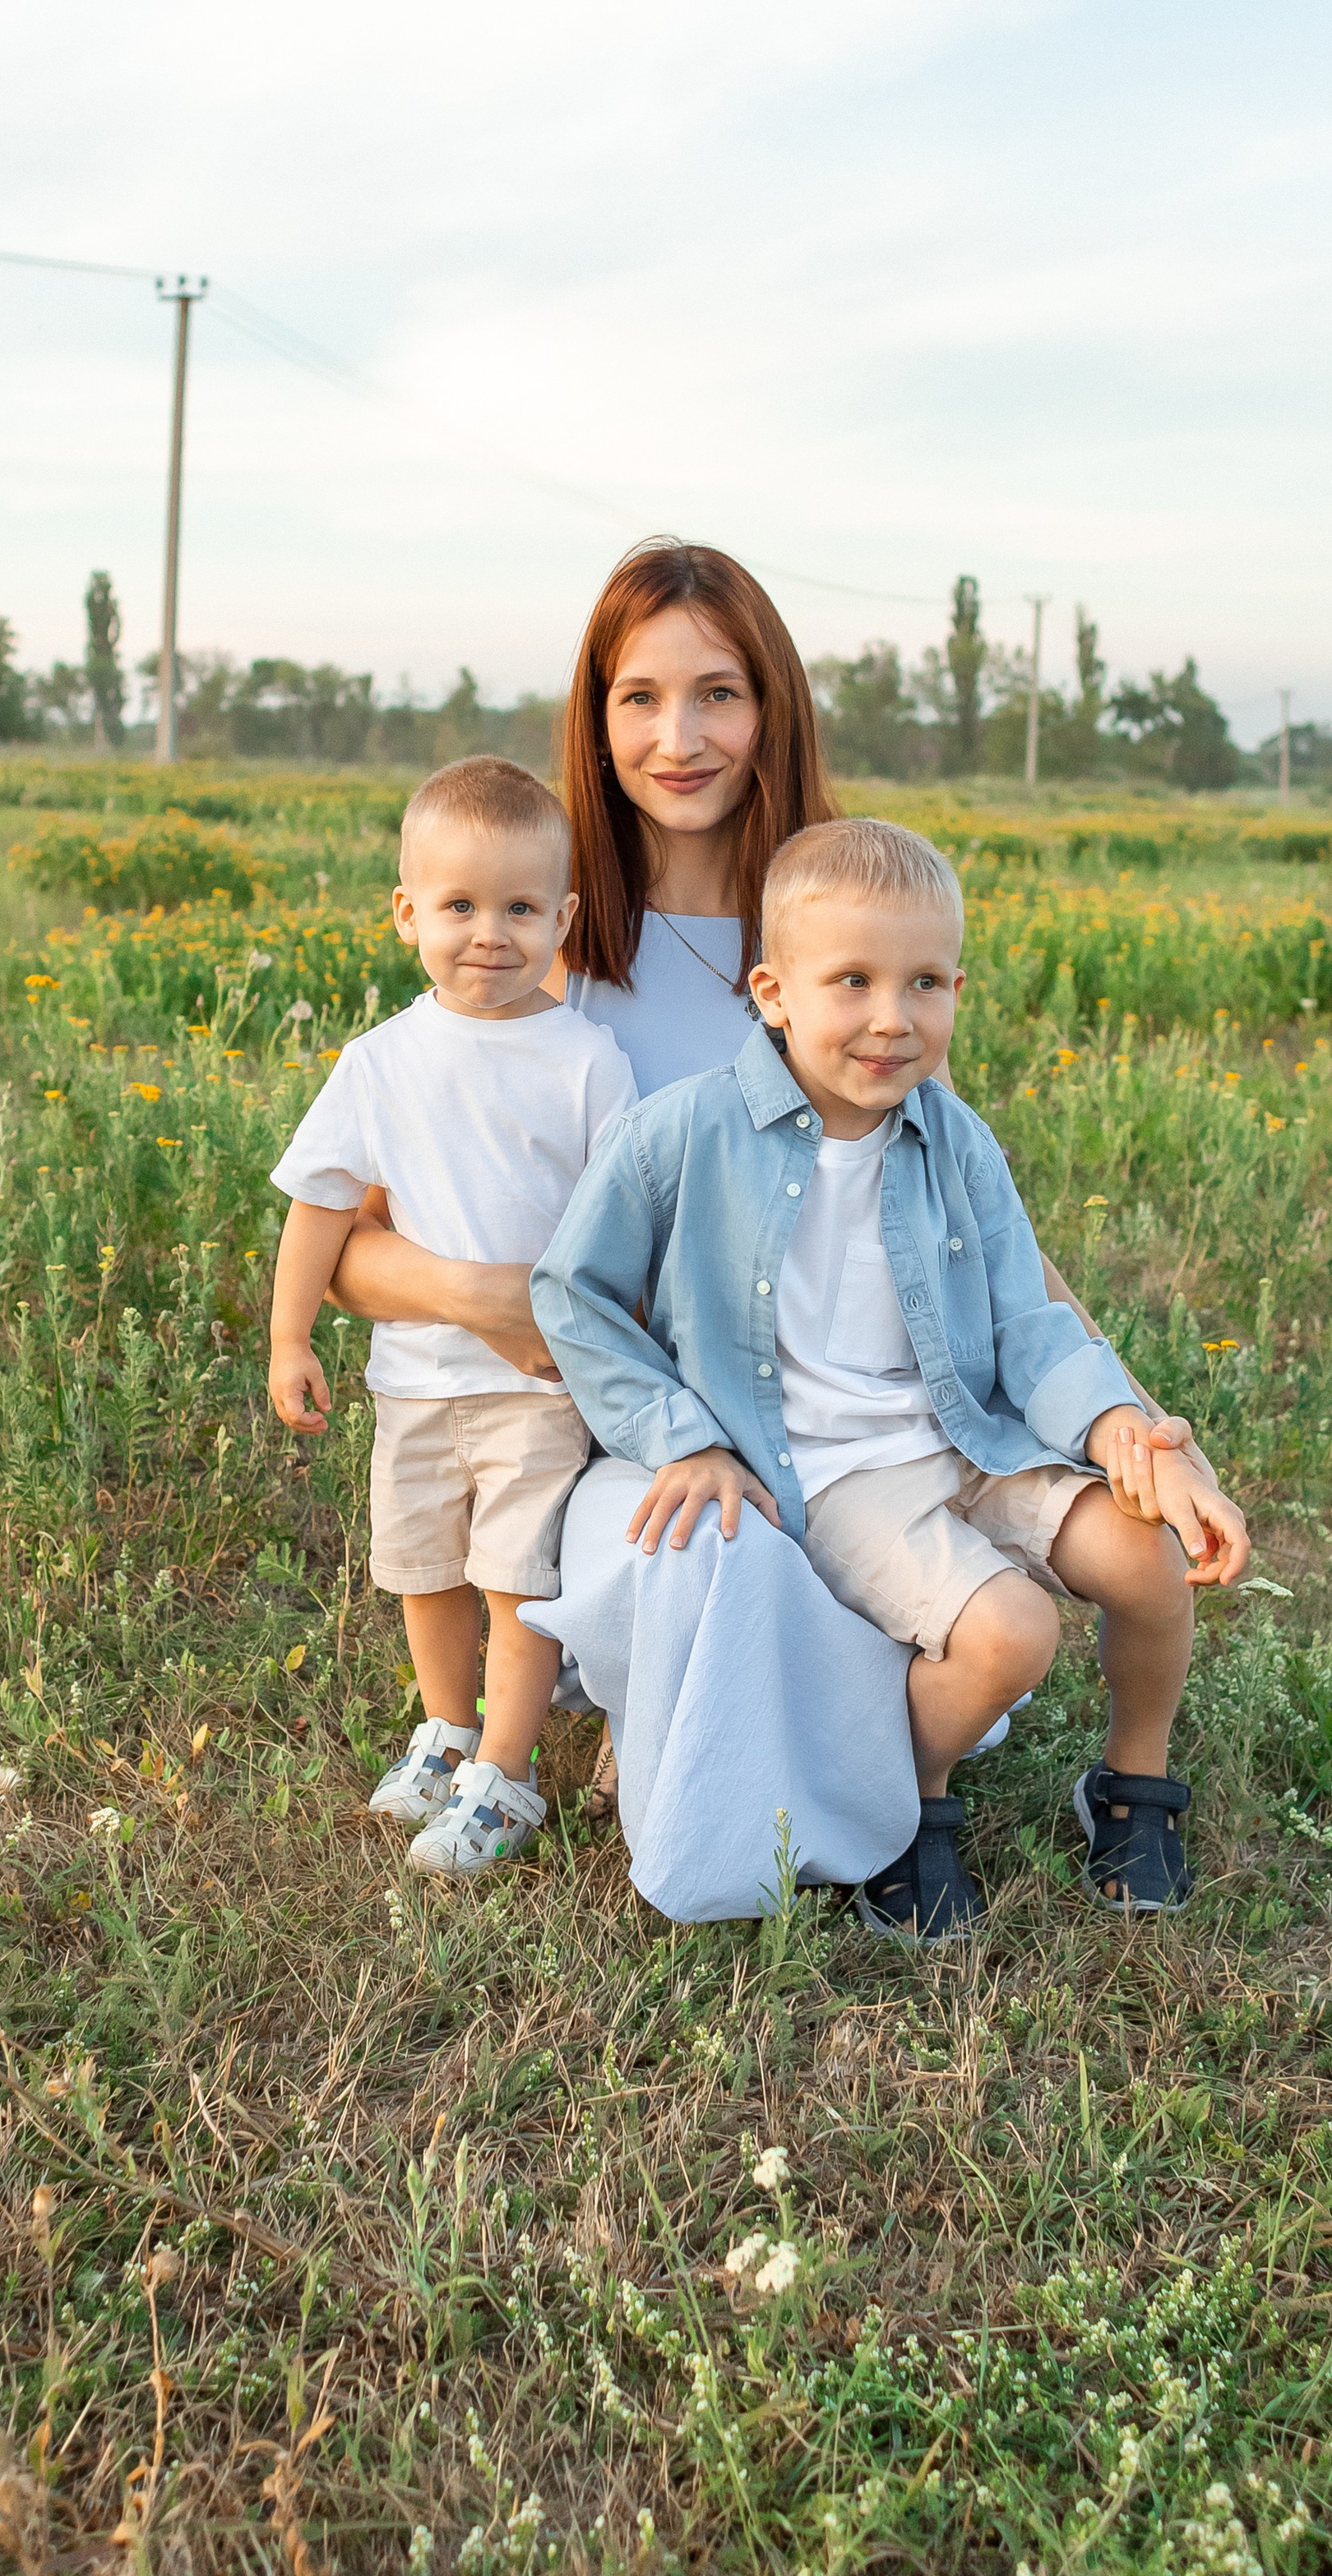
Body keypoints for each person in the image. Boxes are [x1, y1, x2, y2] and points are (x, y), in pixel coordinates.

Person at [327, 538, 1224, 1917]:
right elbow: (351, 1246)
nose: (678, 738)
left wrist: (1135, 1423)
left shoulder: (849, 922)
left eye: (720, 695)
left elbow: (965, 1232)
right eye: (639, 697)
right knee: (712, 1542)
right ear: (594, 717)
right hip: (630, 1415)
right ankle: (699, 1737)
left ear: (774, 710)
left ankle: (877, 1748)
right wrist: (492, 1296)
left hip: (861, 1403)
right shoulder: (531, 935)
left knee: (1053, 1552)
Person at [530, 817, 1251, 1934]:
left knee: (1144, 1555)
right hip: (832, 1473)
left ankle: (1131, 1784)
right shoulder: (680, 1136)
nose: (891, 1017)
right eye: (853, 981)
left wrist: (1116, 1426)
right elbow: (572, 1296)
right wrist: (683, 1436)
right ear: (773, 993)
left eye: (924, 983)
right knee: (1012, 1634)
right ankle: (902, 1810)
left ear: (957, 990)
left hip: (970, 1435)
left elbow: (1026, 1320)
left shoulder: (956, 1141)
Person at [266, 755, 636, 1879]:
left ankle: (506, 1778)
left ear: (562, 920)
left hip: (537, 1386)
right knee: (424, 1568)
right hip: (414, 1377)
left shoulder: (587, 1061)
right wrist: (289, 1339)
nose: (489, 934)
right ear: (406, 914)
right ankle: (446, 1732)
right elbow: (322, 1204)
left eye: (521, 908)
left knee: (518, 1580)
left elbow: (623, 1222)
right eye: (460, 905)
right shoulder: (381, 1061)